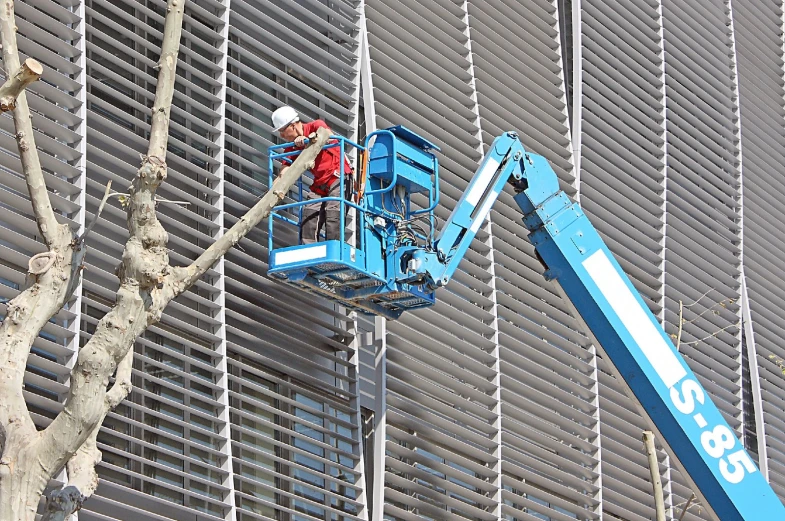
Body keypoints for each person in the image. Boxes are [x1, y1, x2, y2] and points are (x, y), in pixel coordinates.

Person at [272, 105, 353, 244]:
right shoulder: (292, 147)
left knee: (333, 212)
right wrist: (274, 189)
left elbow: (326, 136)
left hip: (339, 176)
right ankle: (309, 250)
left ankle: (333, 248)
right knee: (309, 212)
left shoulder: (317, 126)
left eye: (282, 131)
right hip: (320, 183)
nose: (282, 135)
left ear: (292, 126)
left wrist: (307, 140)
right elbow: (284, 170)